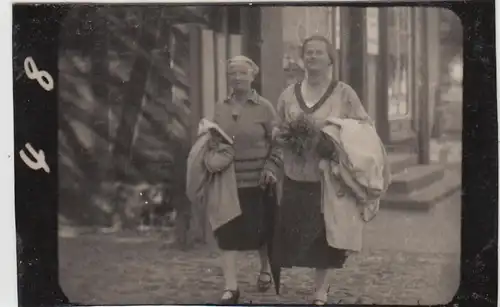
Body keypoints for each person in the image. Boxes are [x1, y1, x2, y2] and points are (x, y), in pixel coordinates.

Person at [272, 35, 376, 305]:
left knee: (326, 233)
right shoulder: (289, 94)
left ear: (330, 59)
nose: (312, 57)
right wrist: (283, 137)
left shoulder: (344, 93)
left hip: (329, 176)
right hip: (296, 175)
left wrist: (334, 141)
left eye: (319, 52)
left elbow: (364, 127)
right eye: (308, 52)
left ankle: (321, 290)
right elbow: (276, 127)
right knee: (295, 231)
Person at [204, 55, 282, 304]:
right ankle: (231, 287)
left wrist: (271, 167)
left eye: (242, 73)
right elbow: (214, 141)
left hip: (259, 181)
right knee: (227, 232)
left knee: (262, 231)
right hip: (227, 182)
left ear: (252, 76)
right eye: (232, 73)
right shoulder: (220, 107)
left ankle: (265, 269)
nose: (237, 78)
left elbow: (278, 144)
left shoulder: (265, 107)